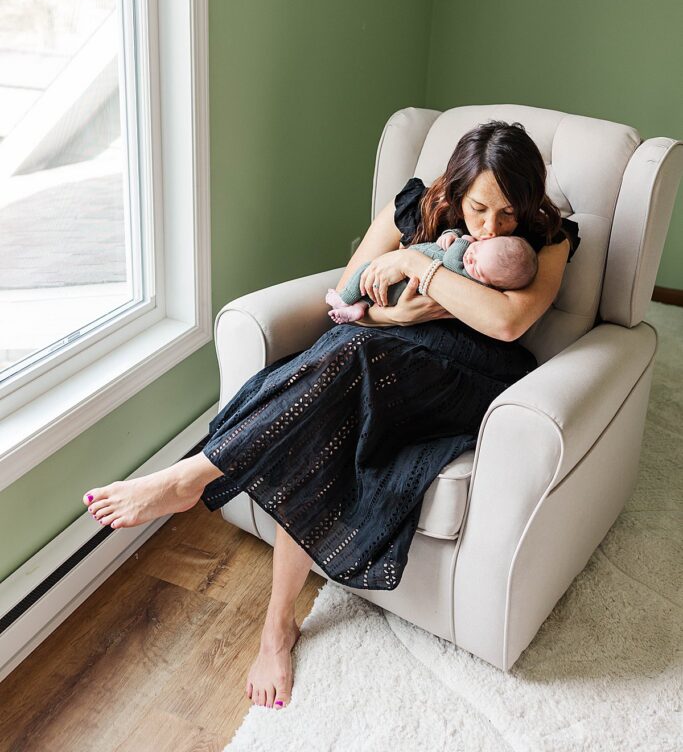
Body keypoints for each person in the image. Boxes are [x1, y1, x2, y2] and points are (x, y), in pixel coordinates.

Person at [81, 119, 580, 712]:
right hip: (387, 349)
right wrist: (399, 318)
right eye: (478, 210)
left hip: (472, 374)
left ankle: (191, 477)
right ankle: (277, 627)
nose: (491, 228)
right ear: (457, 185)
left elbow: (505, 322)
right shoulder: (417, 207)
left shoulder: (550, 235)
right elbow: (346, 296)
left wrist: (418, 271)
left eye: (507, 215)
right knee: (327, 407)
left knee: (348, 361)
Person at [325, 229, 538, 323]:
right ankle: (358, 306)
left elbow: (452, 259)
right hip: (385, 306)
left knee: (367, 270)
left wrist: (464, 240)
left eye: (479, 269)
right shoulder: (412, 204)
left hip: (404, 295)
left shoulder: (466, 273)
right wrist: (395, 316)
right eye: (480, 246)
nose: (471, 257)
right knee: (368, 275)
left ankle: (347, 299)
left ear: (492, 285)